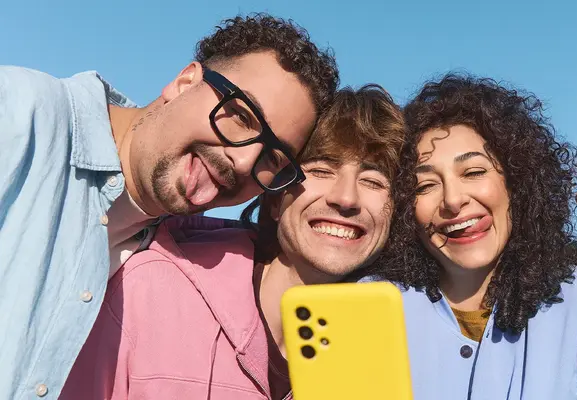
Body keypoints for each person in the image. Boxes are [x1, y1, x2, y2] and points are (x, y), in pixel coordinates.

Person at [0, 13, 338, 399]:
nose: (245, 162)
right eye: (243, 117)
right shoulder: (20, 118)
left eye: (273, 158)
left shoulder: (174, 244)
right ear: (184, 82)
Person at [59, 84, 405, 399]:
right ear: (274, 198)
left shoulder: (384, 348)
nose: (346, 198)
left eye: (373, 181)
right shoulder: (146, 290)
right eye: (321, 171)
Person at [364, 74, 577, 399]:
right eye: (425, 185)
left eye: (474, 172)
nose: (453, 200)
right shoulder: (368, 307)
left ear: (516, 182)